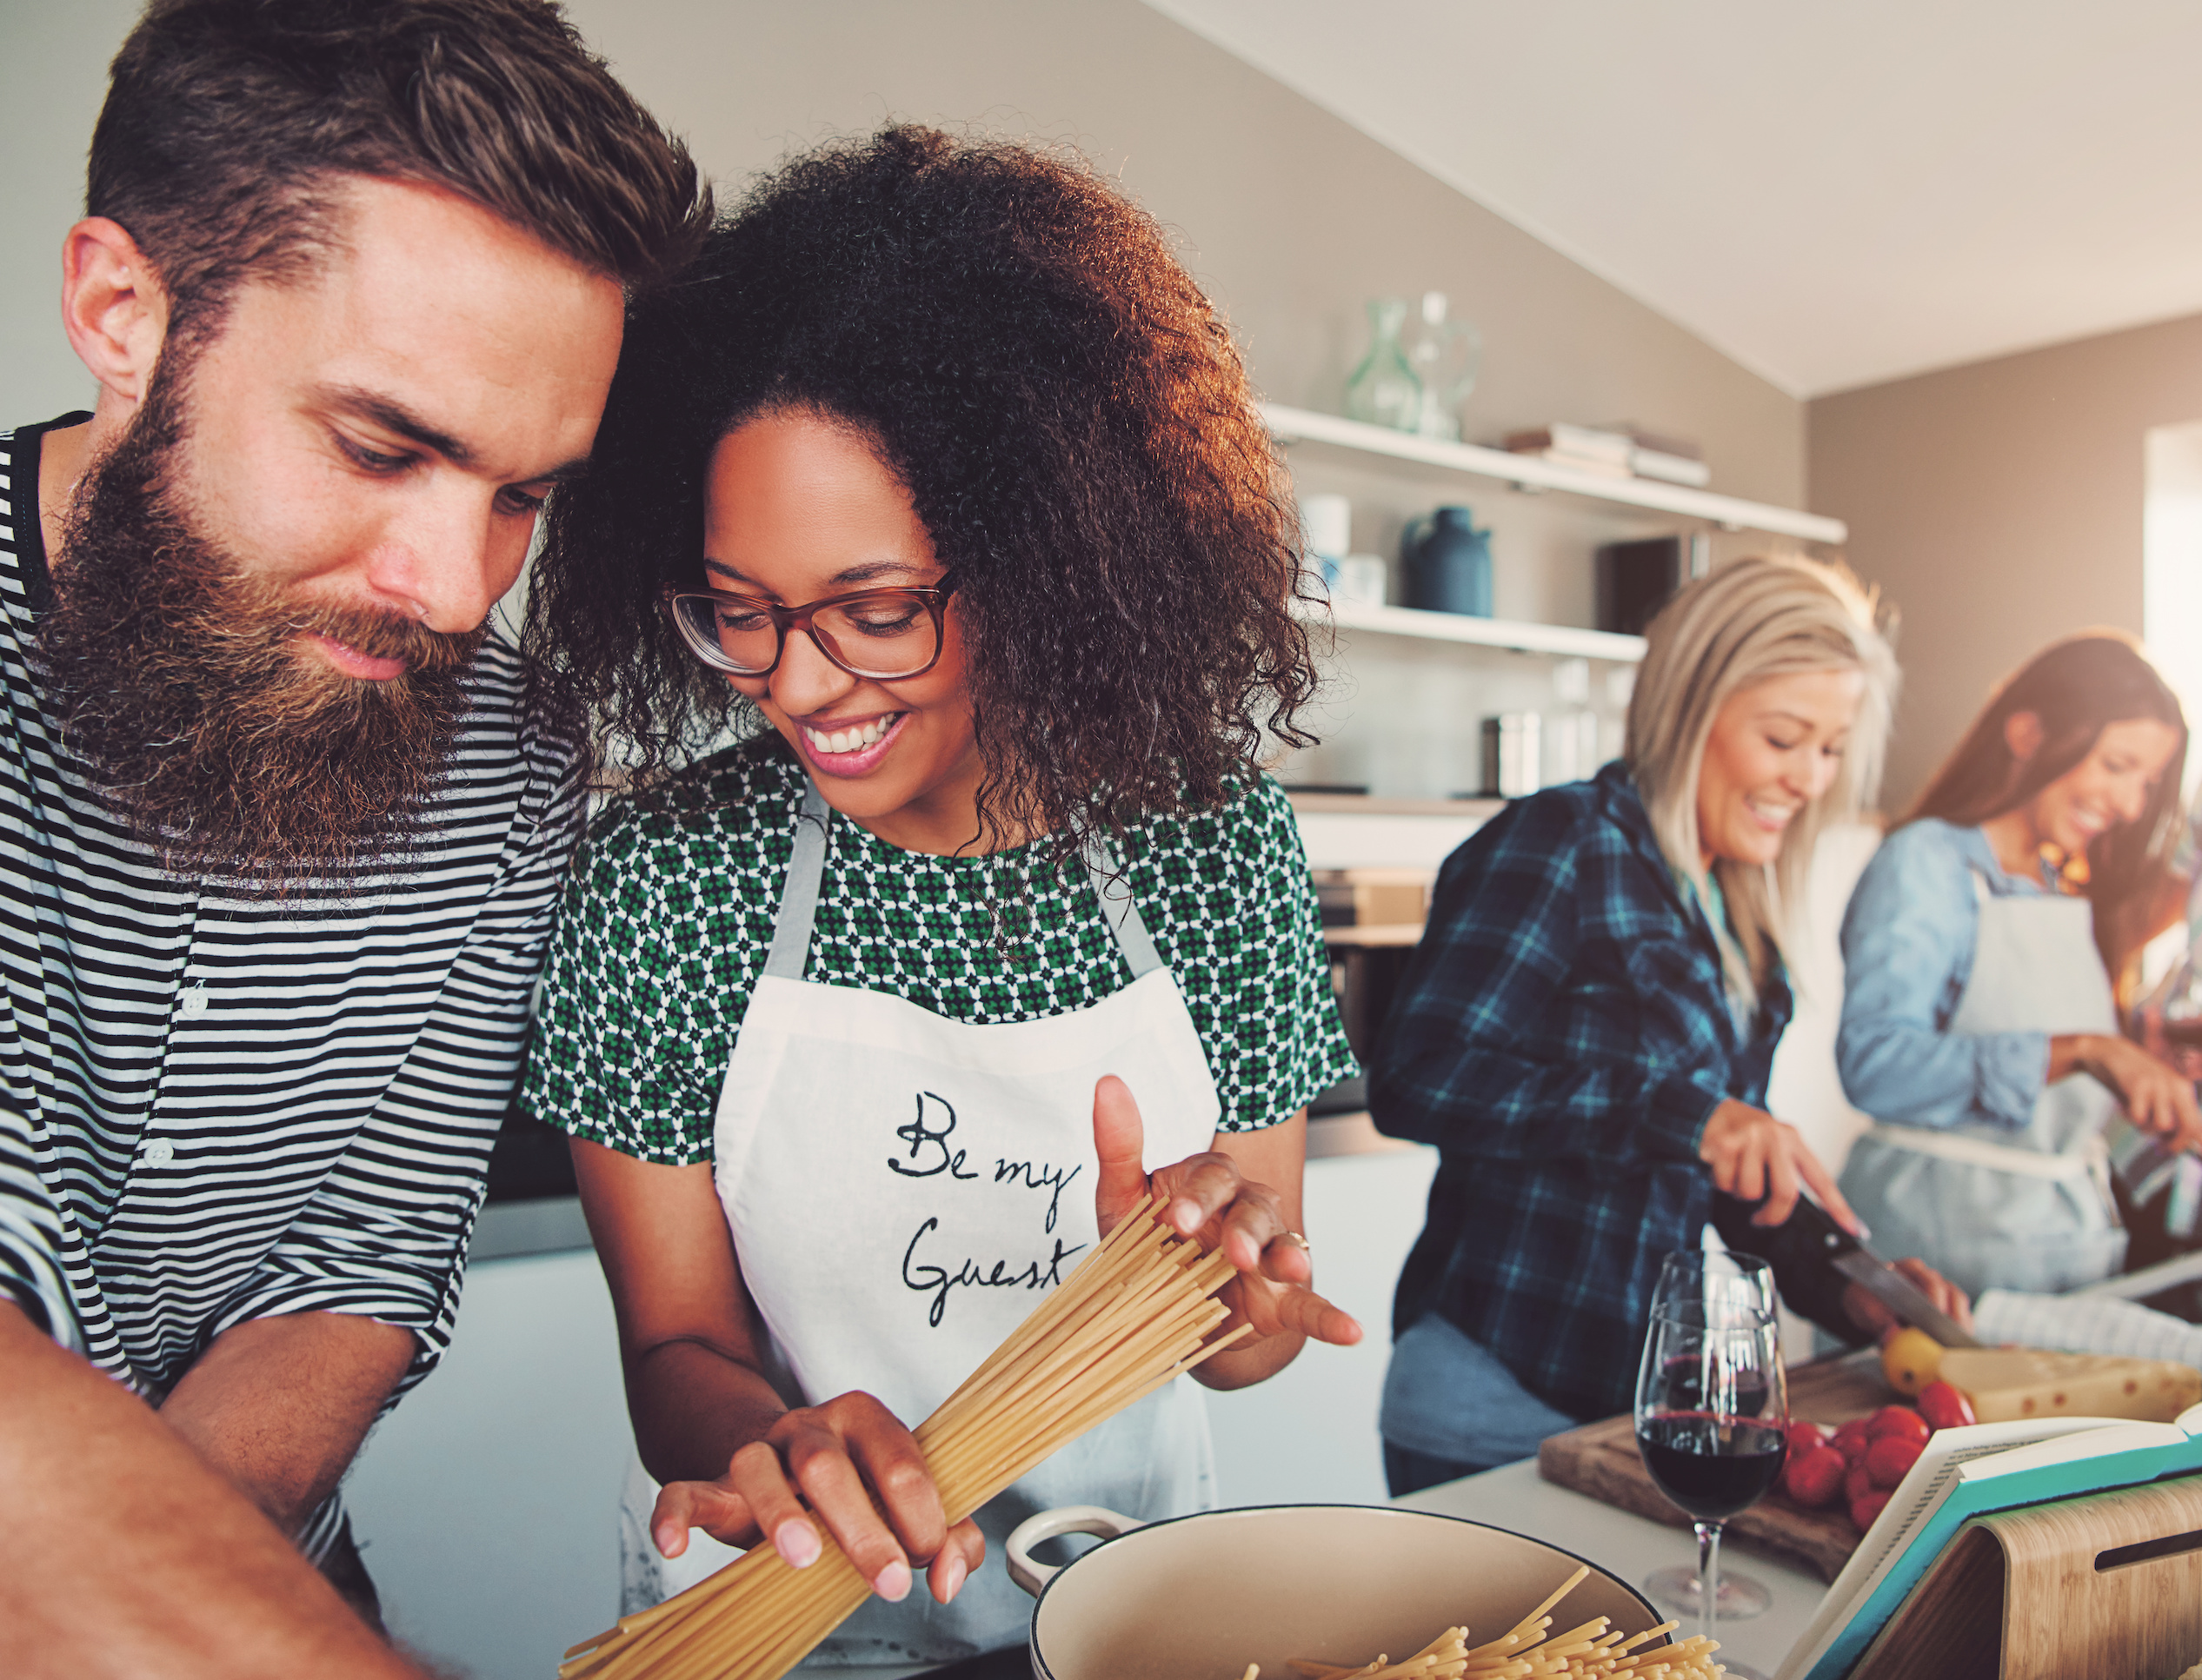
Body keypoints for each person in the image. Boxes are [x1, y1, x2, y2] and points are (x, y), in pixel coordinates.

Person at [517, 127, 1362, 1670]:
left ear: (1050, 559)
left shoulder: (1211, 845)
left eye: (875, 610)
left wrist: (1205, 1276)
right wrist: (778, 1437)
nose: (796, 683)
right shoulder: (669, 882)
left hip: (1126, 1615)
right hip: (794, 1623)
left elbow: (1245, 1345)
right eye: (738, 612)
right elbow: (674, 1346)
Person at [0, 3, 708, 1672]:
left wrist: (167, 1611)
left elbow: (359, 1268)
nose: (458, 591)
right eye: (381, 446)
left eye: (523, 495)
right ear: (119, 309)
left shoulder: (518, 760)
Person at [1368, 556, 1970, 1497]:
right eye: (1784, 737)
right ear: (1693, 707)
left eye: (1830, 747)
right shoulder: (1561, 842)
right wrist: (1683, 1113)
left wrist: (1851, 1288)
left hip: (1636, 1405)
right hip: (1491, 1398)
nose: (1809, 777)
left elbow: (1737, 1181)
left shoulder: (1739, 909)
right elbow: (1417, 1077)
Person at [1836, 633, 2202, 1298]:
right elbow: (1874, 1065)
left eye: (2145, 782)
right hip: (1943, 1254)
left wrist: (2133, 1069)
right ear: (2028, 733)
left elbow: (2052, 1086)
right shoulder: (1926, 862)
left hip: (2062, 1248)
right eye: (2116, 765)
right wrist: (2088, 1050)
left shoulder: (2056, 881)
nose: (2128, 804)